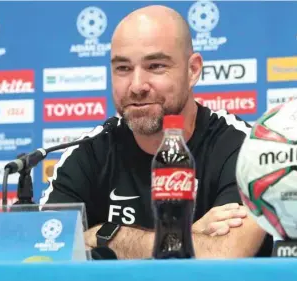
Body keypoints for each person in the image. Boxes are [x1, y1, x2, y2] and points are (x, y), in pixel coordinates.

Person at [39, 5, 273, 259]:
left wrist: (106, 234)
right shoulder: (87, 153)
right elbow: (46, 249)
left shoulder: (246, 150)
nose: (137, 86)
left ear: (193, 70)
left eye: (156, 66)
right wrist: (186, 238)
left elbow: (223, 253)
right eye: (123, 69)